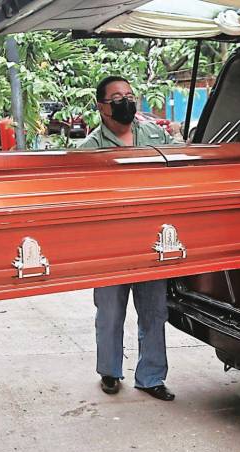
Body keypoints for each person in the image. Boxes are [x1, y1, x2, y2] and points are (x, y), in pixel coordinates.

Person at [79, 76, 176, 401]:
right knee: (109, 312)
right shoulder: (90, 149)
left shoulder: (154, 135)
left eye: (130, 96)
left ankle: (151, 377)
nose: (126, 102)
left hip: (152, 238)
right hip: (111, 244)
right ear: (102, 106)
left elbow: (180, 164)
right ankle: (109, 371)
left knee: (154, 311)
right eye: (118, 97)